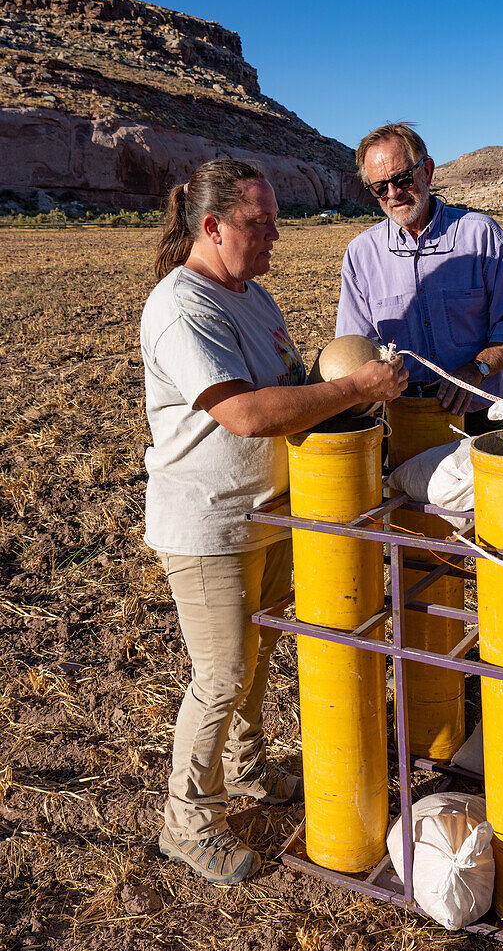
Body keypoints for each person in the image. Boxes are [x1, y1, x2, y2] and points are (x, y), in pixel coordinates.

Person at [140, 159, 407, 885]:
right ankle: (186, 822)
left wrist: (351, 395)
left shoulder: (252, 297)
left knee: (254, 663)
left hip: (264, 515)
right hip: (207, 524)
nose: (274, 238)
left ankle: (248, 772)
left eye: (274, 223)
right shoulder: (181, 305)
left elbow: (289, 390)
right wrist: (352, 384)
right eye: (259, 225)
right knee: (223, 674)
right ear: (211, 226)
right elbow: (246, 413)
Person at [335, 124, 503, 433]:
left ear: (428, 170)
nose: (393, 193)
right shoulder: (361, 254)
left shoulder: (482, 236)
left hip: (485, 417)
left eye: (401, 179)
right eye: (380, 187)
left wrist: (476, 369)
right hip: (403, 421)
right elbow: (355, 348)